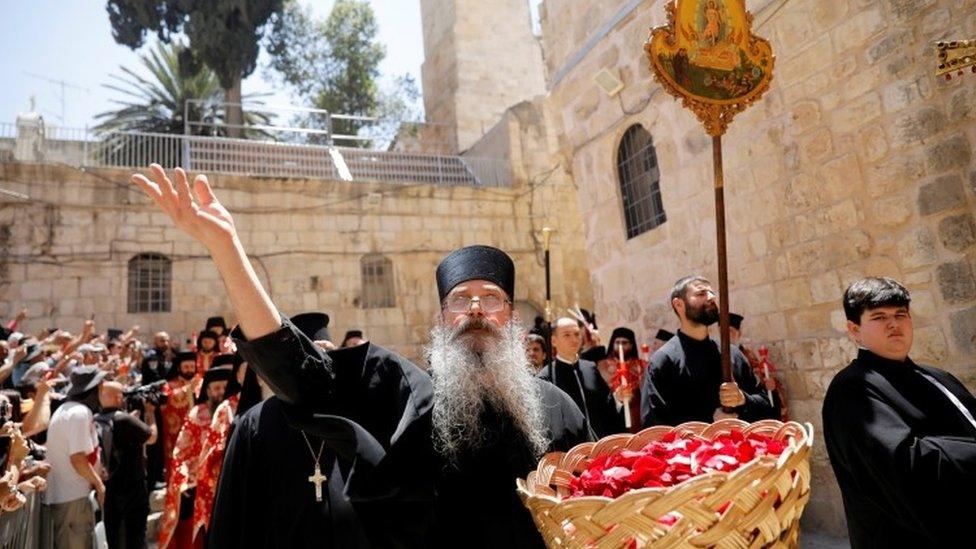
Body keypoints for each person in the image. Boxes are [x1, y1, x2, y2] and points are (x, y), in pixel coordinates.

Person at [133, 158, 588, 548]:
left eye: (490, 298)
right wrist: (226, 248)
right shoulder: (412, 400)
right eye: (459, 300)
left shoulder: (559, 407)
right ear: (441, 319)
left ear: (510, 317)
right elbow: (304, 376)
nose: (474, 309)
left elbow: (602, 500)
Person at [823, 277, 976, 548]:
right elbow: (906, 465)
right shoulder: (852, 389)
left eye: (900, 314)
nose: (894, 324)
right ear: (854, 329)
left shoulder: (938, 377)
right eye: (879, 317)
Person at [640, 276, 774, 426]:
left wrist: (742, 399)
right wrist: (710, 424)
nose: (711, 297)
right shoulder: (663, 361)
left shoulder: (733, 354)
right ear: (678, 304)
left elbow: (765, 407)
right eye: (701, 294)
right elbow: (654, 425)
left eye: (711, 293)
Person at [159, 365, 232, 548]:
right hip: (199, 482)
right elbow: (181, 450)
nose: (220, 392)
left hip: (227, 479)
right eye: (216, 388)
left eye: (224, 387)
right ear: (207, 390)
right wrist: (184, 478)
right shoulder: (196, 414)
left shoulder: (232, 411)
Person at [44, 365, 107, 549]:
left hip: (71, 498)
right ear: (93, 389)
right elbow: (77, 458)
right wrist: (99, 485)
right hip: (73, 499)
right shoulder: (79, 413)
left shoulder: (69, 410)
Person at [539, 317, 624, 438]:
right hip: (571, 450)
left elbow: (606, 405)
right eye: (567, 335)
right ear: (553, 341)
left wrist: (618, 398)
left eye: (577, 334)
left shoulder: (590, 368)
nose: (574, 339)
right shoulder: (546, 377)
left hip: (599, 444)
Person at [95, 381, 157, 549]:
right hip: (133, 488)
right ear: (118, 397)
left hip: (109, 489)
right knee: (136, 536)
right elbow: (152, 438)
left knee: (114, 536)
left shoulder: (96, 420)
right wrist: (150, 415)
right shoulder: (124, 419)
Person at [729, 313, 788, 421]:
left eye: (730, 331)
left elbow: (759, 384)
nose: (727, 336)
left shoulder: (747, 355)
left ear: (739, 333)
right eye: (722, 332)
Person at [160, 351, 200, 479]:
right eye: (186, 367)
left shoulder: (201, 383)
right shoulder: (169, 385)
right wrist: (187, 390)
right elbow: (166, 402)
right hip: (176, 435)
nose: (189, 370)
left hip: (197, 432)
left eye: (192, 367)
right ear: (179, 368)